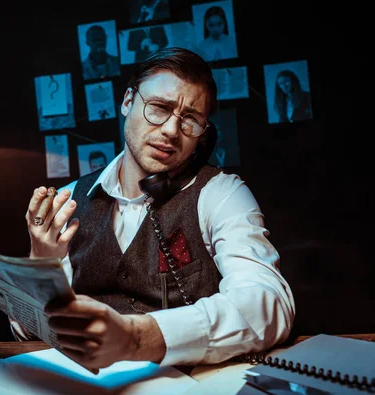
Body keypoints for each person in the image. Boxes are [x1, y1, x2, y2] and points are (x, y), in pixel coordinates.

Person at [21, 47, 295, 372]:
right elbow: (25, 330)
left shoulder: (221, 193)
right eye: (159, 108)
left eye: (190, 120)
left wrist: (139, 338)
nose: (170, 130)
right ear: (127, 102)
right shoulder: (68, 200)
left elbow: (269, 304)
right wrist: (42, 261)